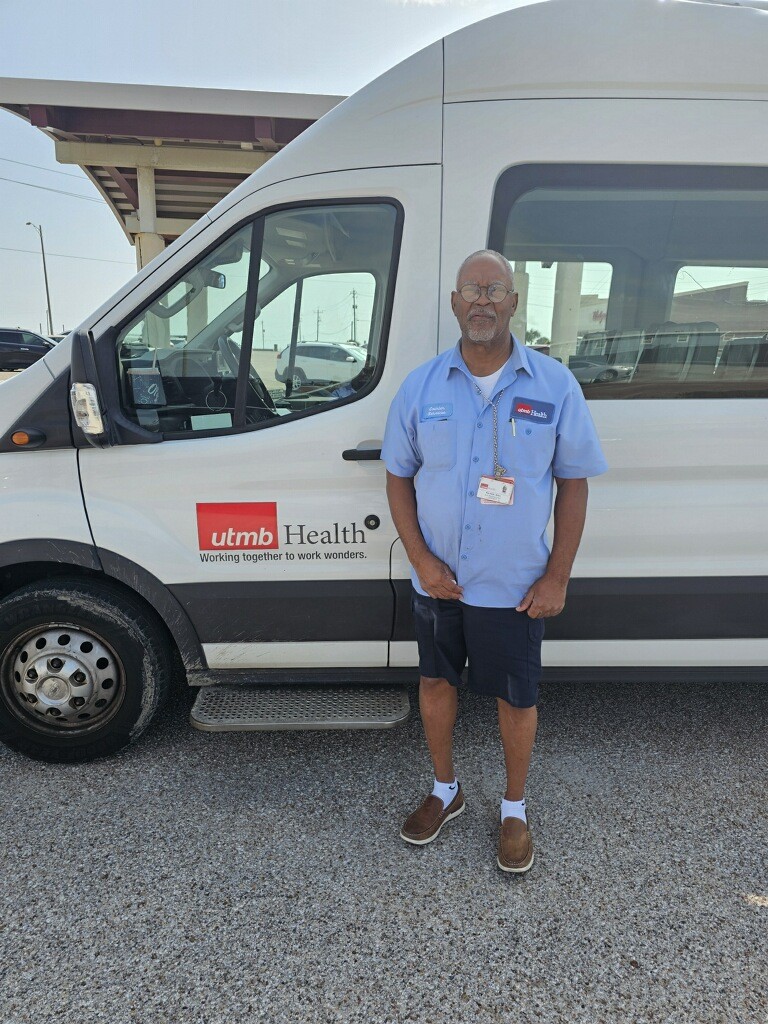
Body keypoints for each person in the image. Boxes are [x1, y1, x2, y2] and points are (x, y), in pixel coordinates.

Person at [381, 249, 607, 873]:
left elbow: (574, 484)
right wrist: (421, 560)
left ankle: (513, 809)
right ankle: (445, 791)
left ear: (513, 302)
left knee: (516, 697)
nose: (482, 300)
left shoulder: (554, 386)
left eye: (494, 289)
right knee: (435, 683)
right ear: (454, 303)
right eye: (471, 290)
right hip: (439, 581)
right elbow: (398, 477)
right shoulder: (421, 387)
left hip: (514, 585)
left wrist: (557, 576)